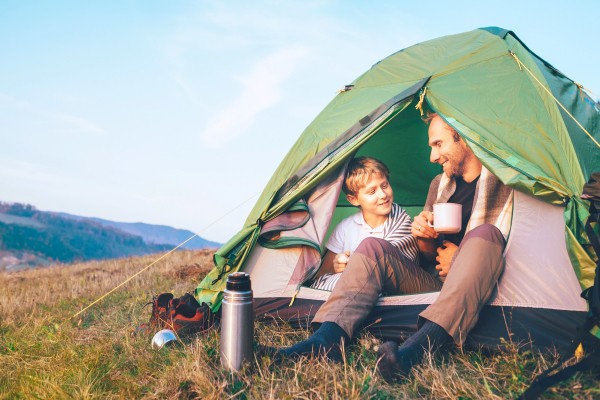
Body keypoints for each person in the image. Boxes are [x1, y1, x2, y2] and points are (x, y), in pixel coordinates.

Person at [276, 114, 513, 381]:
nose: (432, 157)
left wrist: (459, 259)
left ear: (465, 138)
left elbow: (508, 249)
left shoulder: (507, 182)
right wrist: (424, 237)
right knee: (371, 246)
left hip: (479, 281)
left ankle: (418, 349)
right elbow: (427, 256)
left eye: (438, 144)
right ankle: (325, 340)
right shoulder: (439, 185)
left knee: (487, 233)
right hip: (432, 282)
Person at [309, 156, 419, 292]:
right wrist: (338, 266)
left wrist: (358, 267)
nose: (383, 195)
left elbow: (403, 272)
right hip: (354, 290)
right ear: (354, 199)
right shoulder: (345, 228)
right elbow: (322, 276)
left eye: (384, 186)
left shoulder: (403, 223)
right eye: (372, 191)